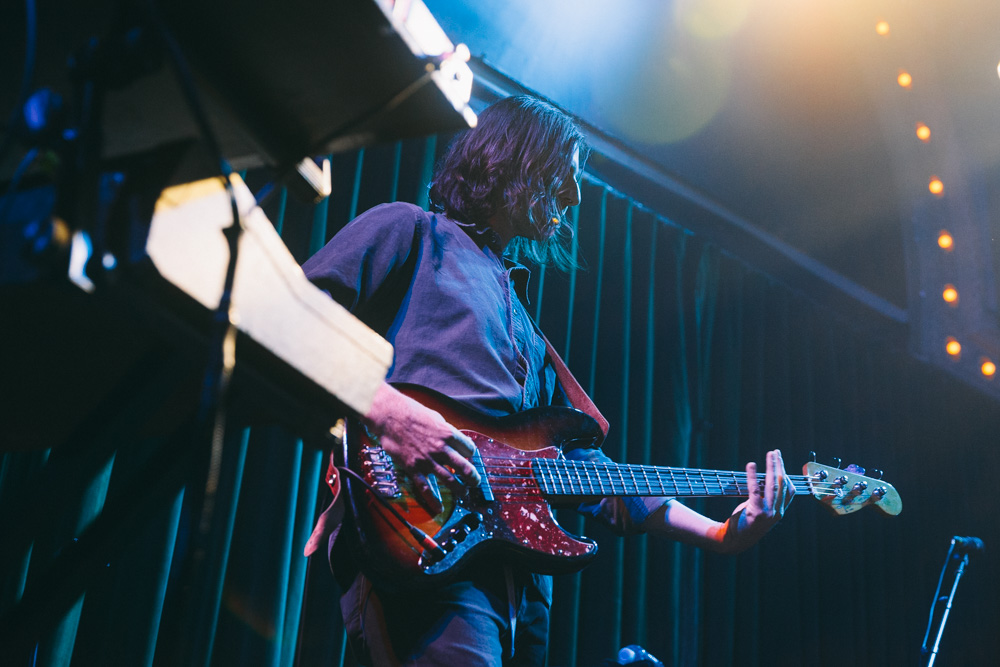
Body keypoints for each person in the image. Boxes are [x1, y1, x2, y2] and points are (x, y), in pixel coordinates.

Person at [302, 95, 793, 666]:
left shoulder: (529, 335)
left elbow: (594, 475)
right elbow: (287, 317)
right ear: (513, 157)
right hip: (420, 536)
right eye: (566, 171)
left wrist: (719, 535)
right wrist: (388, 412)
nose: (576, 195)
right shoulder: (410, 231)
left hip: (519, 585)